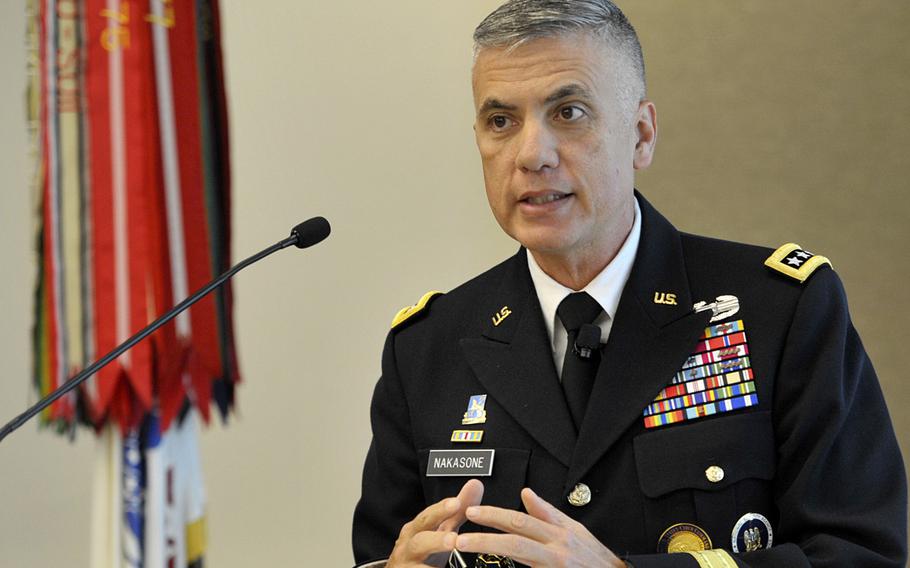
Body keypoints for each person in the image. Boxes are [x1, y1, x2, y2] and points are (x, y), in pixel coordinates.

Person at [352, 1, 907, 566]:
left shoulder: (782, 312)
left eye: (568, 112)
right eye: (501, 122)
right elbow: (377, 552)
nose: (531, 154)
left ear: (641, 135)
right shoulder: (426, 348)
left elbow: (859, 554)